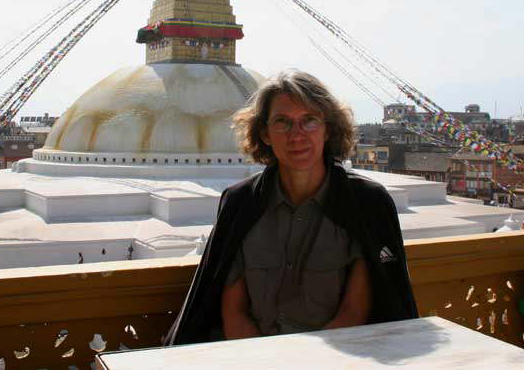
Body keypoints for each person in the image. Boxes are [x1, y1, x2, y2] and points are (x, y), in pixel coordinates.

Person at [166, 70, 418, 345]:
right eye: (283, 123)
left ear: (327, 129)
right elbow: (233, 313)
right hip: (252, 358)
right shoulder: (241, 203)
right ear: (265, 134)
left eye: (309, 121)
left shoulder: (364, 204)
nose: (297, 135)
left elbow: (353, 313)